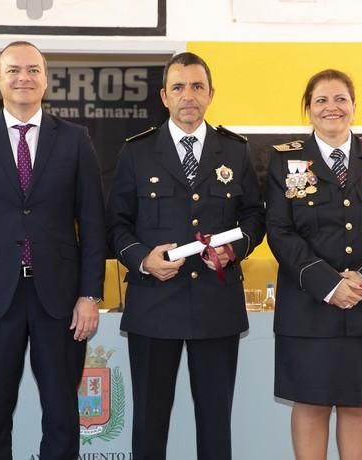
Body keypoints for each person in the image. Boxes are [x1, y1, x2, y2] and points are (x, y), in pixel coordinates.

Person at [0, 41, 106, 460]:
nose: (23, 78)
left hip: (61, 300)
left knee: (62, 416)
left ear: (46, 78)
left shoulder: (74, 140)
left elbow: (92, 223)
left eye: (33, 70)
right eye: (13, 70)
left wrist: (90, 295)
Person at [106, 52, 265, 459]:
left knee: (215, 427)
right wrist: (143, 258)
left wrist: (234, 249)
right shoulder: (137, 153)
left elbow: (254, 217)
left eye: (197, 86)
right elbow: (116, 225)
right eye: (178, 87)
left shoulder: (235, 151)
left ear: (211, 94)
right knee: (149, 426)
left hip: (216, 307)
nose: (188, 96)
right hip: (154, 307)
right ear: (164, 96)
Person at [266, 69, 362, 460]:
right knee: (310, 403)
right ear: (308, 110)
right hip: (308, 306)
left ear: (353, 106)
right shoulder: (287, 161)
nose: (332, 108)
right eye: (321, 101)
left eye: (340, 99)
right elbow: (279, 231)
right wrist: (328, 284)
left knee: (358, 403)